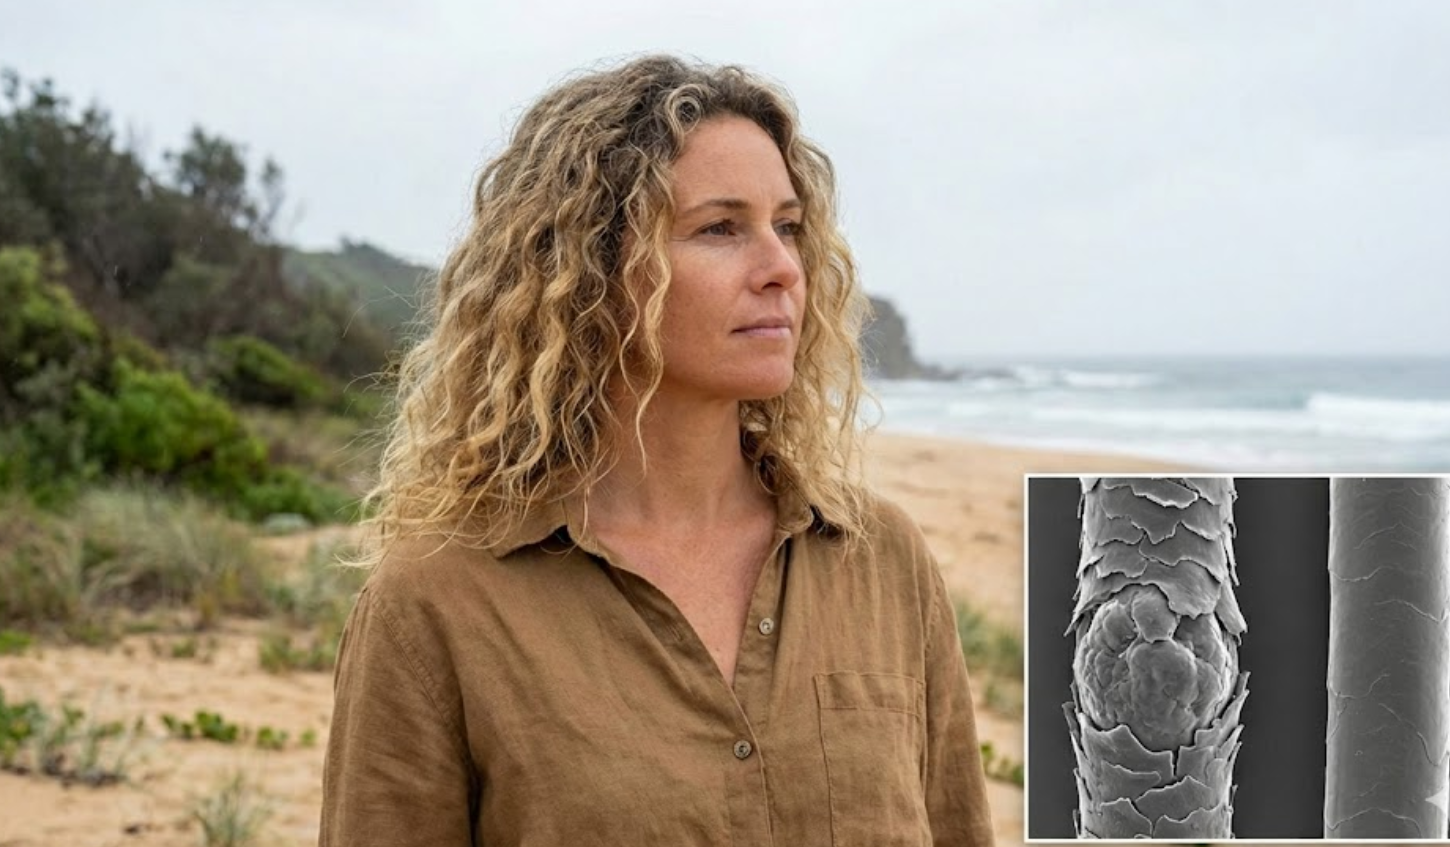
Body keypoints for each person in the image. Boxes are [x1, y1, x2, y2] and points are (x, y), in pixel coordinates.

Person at [319, 53, 994, 847]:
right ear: (591, 269)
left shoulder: (882, 560)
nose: (782, 269)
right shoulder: (439, 600)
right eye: (719, 228)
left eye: (787, 227)